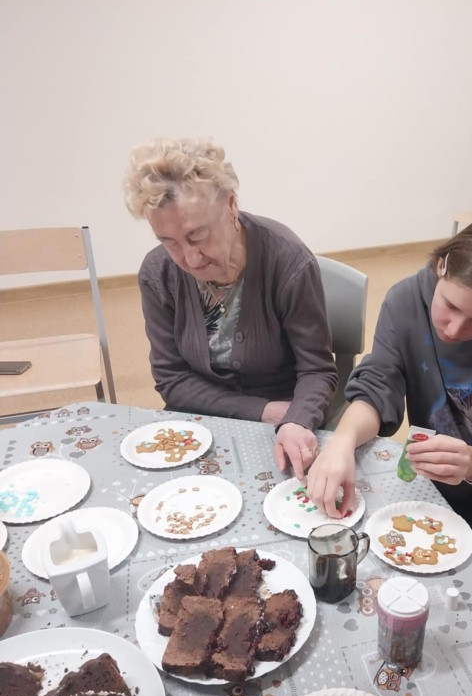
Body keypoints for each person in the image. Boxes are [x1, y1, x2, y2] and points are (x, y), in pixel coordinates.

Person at [306, 212, 472, 529]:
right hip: (445, 483)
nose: (455, 329)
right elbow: (377, 387)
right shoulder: (404, 300)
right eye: (451, 305)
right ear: (441, 264)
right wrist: (342, 441)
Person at [123, 138, 338, 479]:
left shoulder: (289, 263)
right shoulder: (158, 273)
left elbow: (317, 371)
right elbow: (172, 379)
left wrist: (295, 420)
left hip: (285, 425)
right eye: (169, 242)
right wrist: (261, 410)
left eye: (198, 236)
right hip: (199, 421)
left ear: (231, 205)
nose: (190, 258)